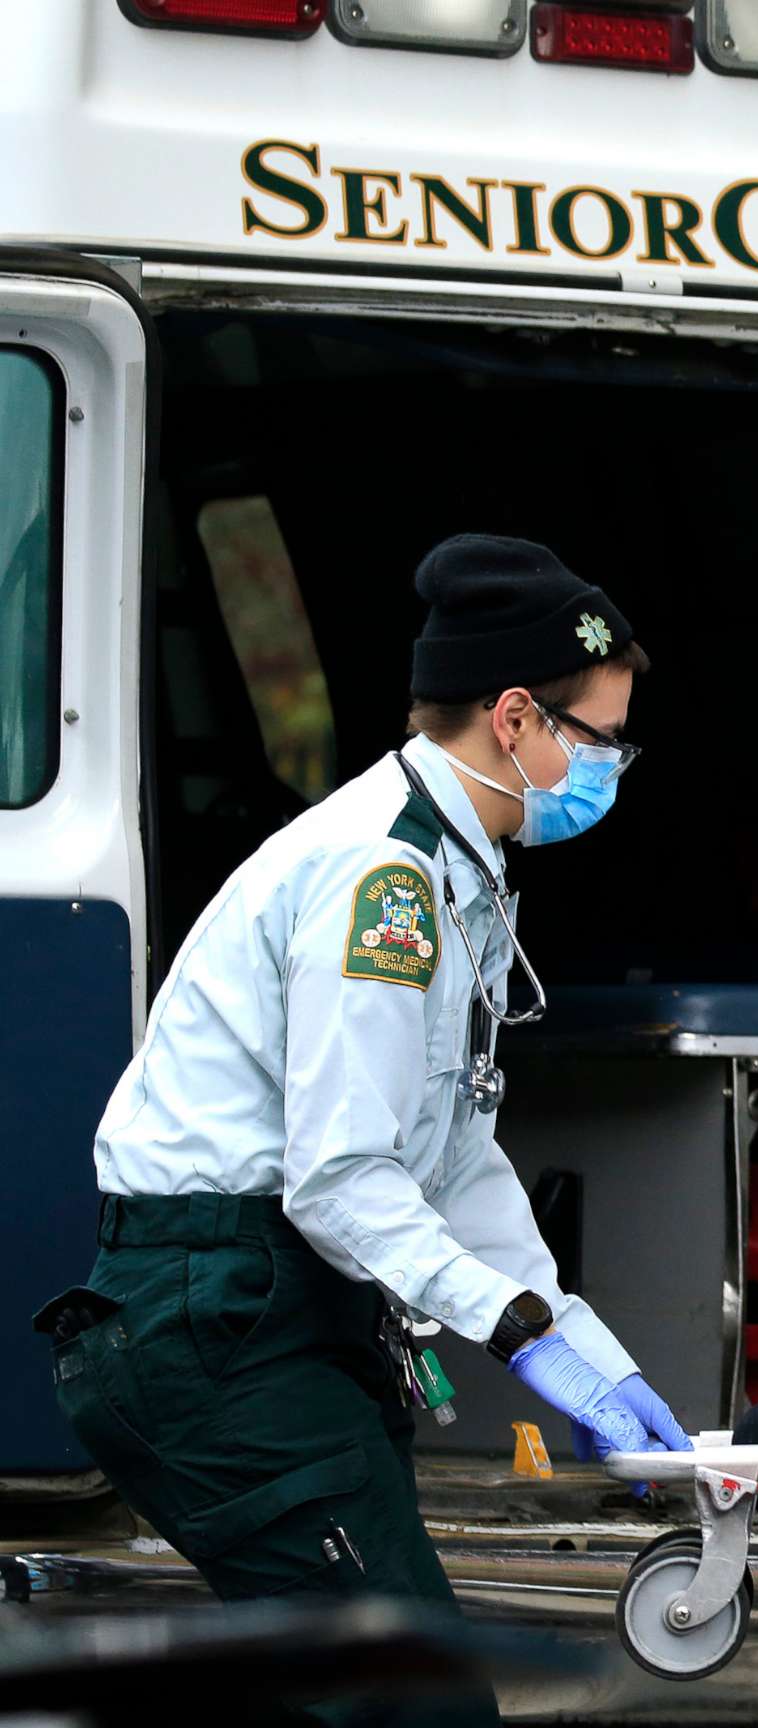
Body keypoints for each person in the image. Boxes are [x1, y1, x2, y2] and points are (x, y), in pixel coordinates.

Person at [38, 535, 690, 1720]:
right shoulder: (381, 878)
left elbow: (449, 1152)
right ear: (513, 719)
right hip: (220, 1324)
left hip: (266, 1317)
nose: (610, 768)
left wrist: (576, 1336)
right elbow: (342, 1182)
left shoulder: (452, 866)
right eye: (598, 739)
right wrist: (516, 1329)